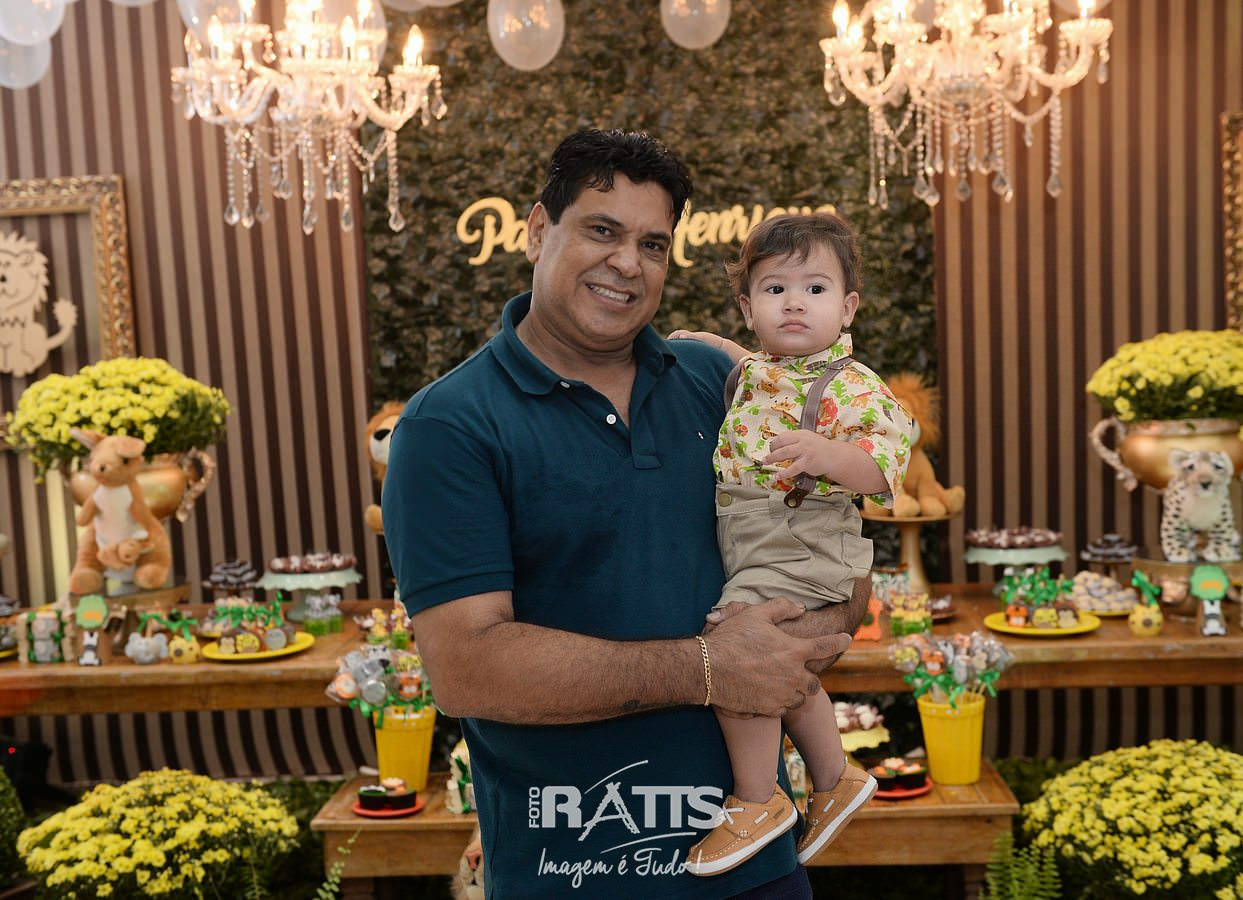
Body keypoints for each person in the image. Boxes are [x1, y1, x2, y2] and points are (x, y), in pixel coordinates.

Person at [384, 129, 868, 899]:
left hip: (756, 871)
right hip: (573, 873)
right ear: (538, 230)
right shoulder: (450, 425)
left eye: (652, 244)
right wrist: (708, 669)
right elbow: (464, 669)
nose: (626, 262)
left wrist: (794, 636)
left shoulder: (718, 383)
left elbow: (839, 574)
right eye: (601, 230)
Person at [671, 213, 913, 877]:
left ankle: (757, 799)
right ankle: (834, 777)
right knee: (780, 663)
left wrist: (830, 455)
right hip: (759, 540)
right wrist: (712, 344)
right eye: (775, 290)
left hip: (804, 538)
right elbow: (751, 369)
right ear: (749, 309)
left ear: (847, 307)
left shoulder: (851, 385)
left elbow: (884, 467)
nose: (795, 303)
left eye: (814, 288)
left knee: (737, 657)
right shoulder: (760, 370)